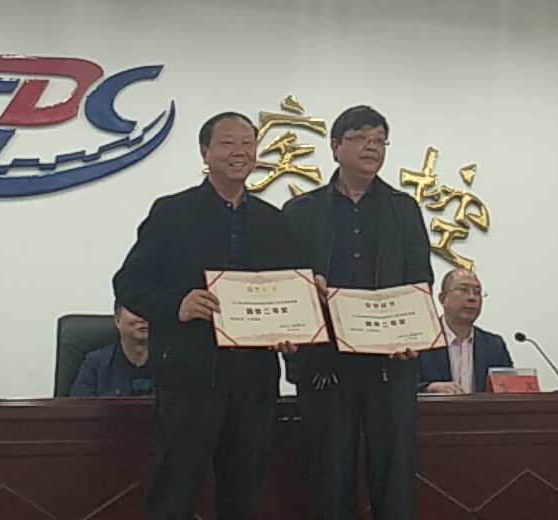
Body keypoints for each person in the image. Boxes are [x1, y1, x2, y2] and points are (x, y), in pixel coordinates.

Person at [113, 111, 295, 520]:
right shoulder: (172, 212)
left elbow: (288, 290)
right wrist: (177, 305)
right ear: (205, 152)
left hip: (254, 380)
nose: (240, 152)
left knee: (243, 498)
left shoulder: (274, 221)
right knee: (174, 496)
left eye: (248, 143)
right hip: (190, 377)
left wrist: (291, 331)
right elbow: (129, 282)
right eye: (228, 143)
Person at [282, 104, 433, 520]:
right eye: (361, 138)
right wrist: (306, 290)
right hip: (325, 363)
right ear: (335, 147)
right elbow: (286, 279)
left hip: (390, 362)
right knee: (330, 477)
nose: (372, 147)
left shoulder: (403, 209)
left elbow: (419, 279)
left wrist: (413, 335)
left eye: (380, 140)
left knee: (395, 478)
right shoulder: (301, 211)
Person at [416, 268, 513, 395]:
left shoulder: (494, 346)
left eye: (477, 292)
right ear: (442, 298)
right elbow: (403, 387)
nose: (472, 298)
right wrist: (428, 388)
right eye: (463, 290)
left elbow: (509, 390)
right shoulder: (421, 340)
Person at [70, 303, 154, 397]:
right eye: (135, 311)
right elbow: (79, 404)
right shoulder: (95, 364)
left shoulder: (167, 362)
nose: (142, 318)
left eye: (148, 310)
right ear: (118, 321)